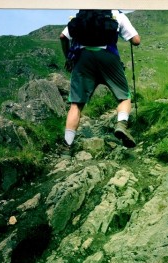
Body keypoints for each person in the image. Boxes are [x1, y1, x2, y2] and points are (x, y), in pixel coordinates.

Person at [59, 9, 141, 157]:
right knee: (124, 97)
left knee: (76, 104)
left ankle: (67, 147)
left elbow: (63, 36)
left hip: (83, 59)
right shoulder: (116, 14)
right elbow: (136, 41)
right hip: (108, 57)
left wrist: (69, 58)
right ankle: (121, 124)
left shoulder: (84, 14)